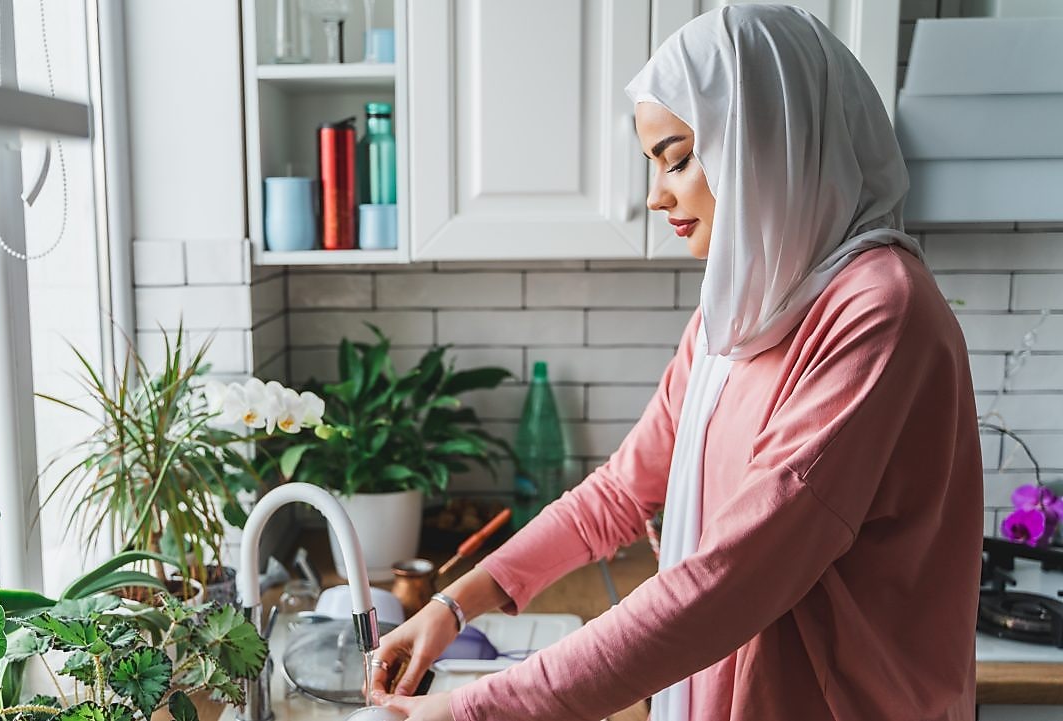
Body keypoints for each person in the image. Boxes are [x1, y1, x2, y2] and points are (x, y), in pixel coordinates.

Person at [369, 5, 983, 721]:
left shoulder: (878, 311)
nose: (657, 195)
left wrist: (475, 708)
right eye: (654, 163)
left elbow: (727, 582)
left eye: (680, 156)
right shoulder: (745, 309)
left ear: (765, 140)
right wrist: (454, 602)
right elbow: (622, 493)